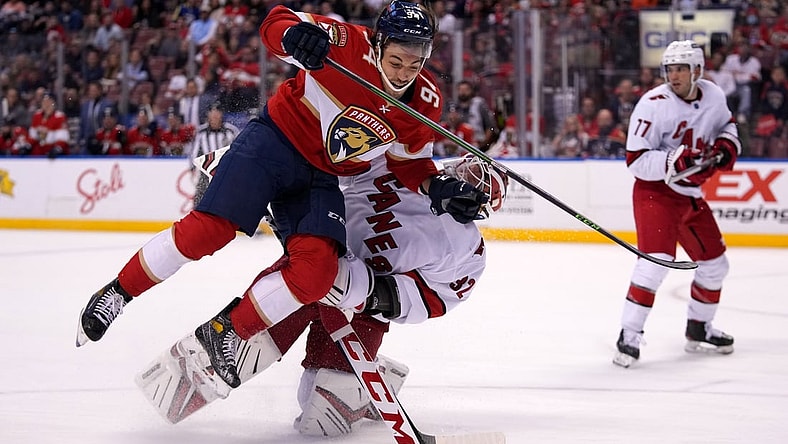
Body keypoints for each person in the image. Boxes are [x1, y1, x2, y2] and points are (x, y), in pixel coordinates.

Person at [76, 0, 487, 392]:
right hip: (276, 142)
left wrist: (439, 188)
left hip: (320, 177)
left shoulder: (426, 98)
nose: (402, 74)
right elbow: (275, 21)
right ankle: (116, 292)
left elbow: (409, 164)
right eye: (396, 61)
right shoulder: (346, 43)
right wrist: (294, 38)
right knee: (210, 231)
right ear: (379, 44)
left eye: (414, 65)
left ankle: (228, 332)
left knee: (317, 274)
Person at [613, 41, 741, 368]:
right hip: (655, 192)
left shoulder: (713, 95)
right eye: (670, 69)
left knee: (715, 266)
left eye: (681, 68)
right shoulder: (652, 104)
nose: (674, 75)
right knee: (655, 261)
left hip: (690, 194)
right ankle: (629, 334)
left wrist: (727, 144)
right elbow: (635, 161)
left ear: (697, 70)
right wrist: (673, 160)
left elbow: (727, 125)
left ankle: (699, 328)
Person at [188, 101, 239, 205]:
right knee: (200, 200)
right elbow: (194, 151)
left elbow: (239, 150)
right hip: (207, 171)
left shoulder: (231, 131)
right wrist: (192, 168)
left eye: (217, 112)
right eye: (212, 112)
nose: (215, 115)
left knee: (230, 199)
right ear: (208, 115)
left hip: (226, 171)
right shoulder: (201, 132)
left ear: (221, 114)